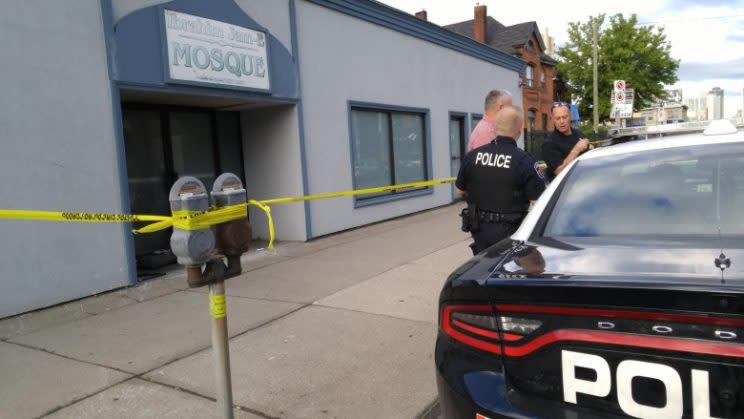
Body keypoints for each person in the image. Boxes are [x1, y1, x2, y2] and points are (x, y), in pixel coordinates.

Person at [456, 105, 546, 255]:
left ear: (496, 127)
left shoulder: (473, 156)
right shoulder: (527, 161)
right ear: (520, 127)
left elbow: (460, 190)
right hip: (511, 232)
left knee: (482, 272)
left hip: (479, 229)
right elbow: (538, 203)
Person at [541, 102, 590, 182]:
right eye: (558, 118)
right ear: (553, 119)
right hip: (564, 191)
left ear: (570, 116)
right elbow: (559, 171)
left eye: (564, 117)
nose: (561, 121)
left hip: (583, 183)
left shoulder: (579, 134)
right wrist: (576, 150)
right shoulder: (549, 143)